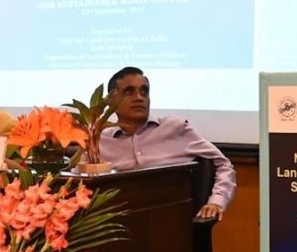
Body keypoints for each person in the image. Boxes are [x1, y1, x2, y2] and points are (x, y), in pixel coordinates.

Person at [100, 66, 236, 221]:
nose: (139, 97)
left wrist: (216, 202)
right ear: (110, 101)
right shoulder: (100, 142)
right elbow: (76, 183)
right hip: (116, 225)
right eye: (129, 92)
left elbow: (223, 164)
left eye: (144, 91)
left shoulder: (175, 129)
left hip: (170, 222)